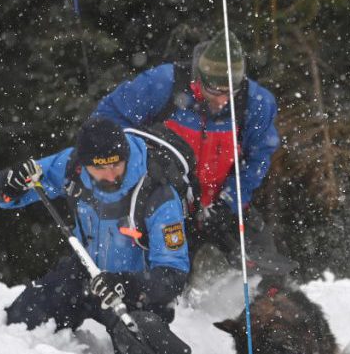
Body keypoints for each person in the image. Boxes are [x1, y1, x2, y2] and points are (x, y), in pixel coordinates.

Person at [0, 118, 190, 354]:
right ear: (85, 165)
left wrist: (127, 284)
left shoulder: (158, 193)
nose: (110, 174)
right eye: (100, 168)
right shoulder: (71, 166)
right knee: (19, 324)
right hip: (84, 273)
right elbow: (6, 198)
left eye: (116, 164)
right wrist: (8, 184)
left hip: (136, 292)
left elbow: (173, 275)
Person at [92, 32, 294, 279]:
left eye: (229, 92)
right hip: (163, 204)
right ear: (199, 78)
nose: (222, 101)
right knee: (161, 279)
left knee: (266, 268)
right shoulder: (163, 84)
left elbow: (259, 157)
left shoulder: (255, 103)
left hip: (219, 203)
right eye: (214, 90)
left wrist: (230, 200)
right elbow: (105, 121)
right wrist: (143, 160)